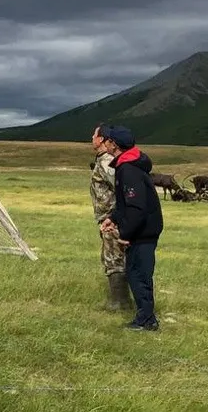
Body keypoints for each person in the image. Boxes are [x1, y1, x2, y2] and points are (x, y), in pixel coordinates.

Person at [98, 125, 163, 331]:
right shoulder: (127, 165)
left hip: (144, 231)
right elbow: (125, 203)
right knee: (137, 272)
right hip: (143, 229)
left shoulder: (128, 170)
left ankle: (146, 320)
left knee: (138, 274)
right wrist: (113, 218)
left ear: (114, 145)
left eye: (107, 140)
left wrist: (125, 234)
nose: (104, 143)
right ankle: (146, 317)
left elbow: (136, 207)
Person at [90, 124, 129, 311]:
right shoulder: (103, 160)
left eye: (94, 135)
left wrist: (114, 216)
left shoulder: (107, 162)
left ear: (102, 140)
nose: (91, 138)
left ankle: (119, 302)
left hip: (112, 219)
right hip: (110, 217)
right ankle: (121, 300)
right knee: (112, 256)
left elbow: (120, 186)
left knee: (114, 257)